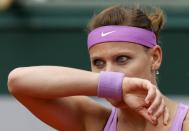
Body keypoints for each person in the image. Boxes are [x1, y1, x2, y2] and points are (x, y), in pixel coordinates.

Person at [7, 5, 189, 131]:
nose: (108, 72)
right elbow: (17, 81)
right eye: (98, 63)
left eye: (122, 59)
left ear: (155, 58)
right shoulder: (92, 122)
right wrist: (115, 84)